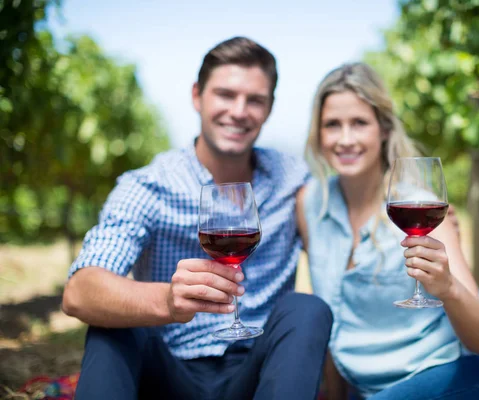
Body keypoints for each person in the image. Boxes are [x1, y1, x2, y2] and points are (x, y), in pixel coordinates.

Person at [61, 36, 333, 400]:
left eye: (254, 100)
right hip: (169, 375)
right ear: (196, 96)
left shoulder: (292, 180)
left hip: (259, 377)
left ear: (269, 108)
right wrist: (168, 302)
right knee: (114, 321)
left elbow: (348, 228)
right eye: (225, 94)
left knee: (306, 307)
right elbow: (79, 291)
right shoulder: (149, 186)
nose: (239, 111)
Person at [296, 62, 479, 399]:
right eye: (332, 125)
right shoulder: (311, 204)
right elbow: (333, 319)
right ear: (318, 133)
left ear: (384, 129)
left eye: (359, 123)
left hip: (462, 379)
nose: (345, 139)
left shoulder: (420, 208)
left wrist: (447, 287)